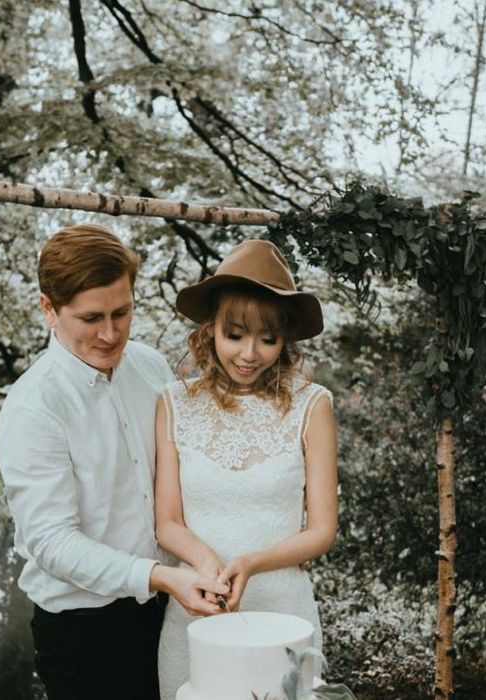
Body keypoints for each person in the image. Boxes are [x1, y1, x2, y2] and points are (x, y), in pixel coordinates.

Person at [0, 223, 228, 700]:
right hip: (83, 633)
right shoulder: (32, 408)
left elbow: (182, 478)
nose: (110, 333)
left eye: (122, 313)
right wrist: (160, 576)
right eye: (91, 318)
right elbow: (52, 541)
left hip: (170, 609)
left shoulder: (150, 367)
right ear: (48, 309)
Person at [155, 239, 338, 699]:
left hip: (285, 616)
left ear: (285, 339)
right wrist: (204, 562)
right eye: (235, 334)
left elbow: (321, 531)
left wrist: (251, 564)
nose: (249, 354)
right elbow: (167, 523)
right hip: (197, 612)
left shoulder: (312, 406)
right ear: (211, 329)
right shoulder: (173, 403)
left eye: (268, 338)